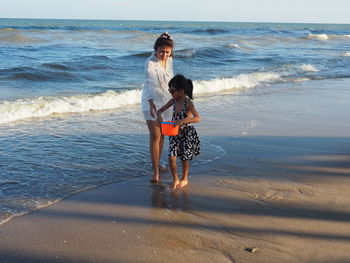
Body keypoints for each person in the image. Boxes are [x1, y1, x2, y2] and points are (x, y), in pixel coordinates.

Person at [156, 75, 201, 190]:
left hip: (186, 134)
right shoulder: (173, 101)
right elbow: (160, 110)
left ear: (181, 91)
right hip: (174, 134)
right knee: (171, 157)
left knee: (184, 158)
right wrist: (158, 116)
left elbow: (197, 118)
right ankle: (175, 179)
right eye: (169, 90)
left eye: (172, 91)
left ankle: (184, 178)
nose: (170, 93)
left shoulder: (188, 103)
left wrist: (182, 120)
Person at [141, 32, 174, 184]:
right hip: (151, 101)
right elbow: (150, 85)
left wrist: (168, 37)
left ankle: (158, 163)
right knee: (155, 136)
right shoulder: (150, 62)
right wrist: (152, 105)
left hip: (166, 101)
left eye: (167, 52)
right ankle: (155, 170)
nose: (164, 55)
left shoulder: (170, 59)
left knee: (163, 135)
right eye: (161, 51)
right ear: (155, 49)